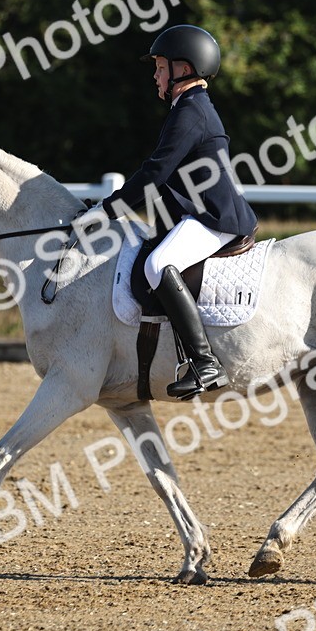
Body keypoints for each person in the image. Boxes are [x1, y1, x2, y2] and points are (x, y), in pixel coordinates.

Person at [74, 24, 258, 398]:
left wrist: (106, 212)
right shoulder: (187, 108)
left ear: (184, 68)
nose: (155, 76)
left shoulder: (191, 111)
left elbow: (155, 173)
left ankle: (206, 363)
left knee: (156, 265)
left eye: (160, 67)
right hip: (197, 214)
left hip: (214, 219)